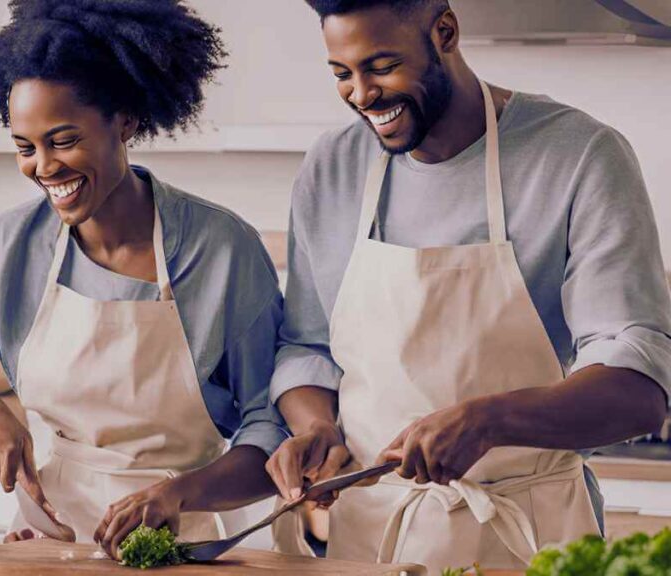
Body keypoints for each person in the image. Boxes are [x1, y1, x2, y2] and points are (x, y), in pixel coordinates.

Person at [265, 0, 671, 571]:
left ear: (445, 32)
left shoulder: (579, 155)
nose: (361, 94)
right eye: (341, 74)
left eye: (381, 66)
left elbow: (638, 393)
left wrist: (488, 421)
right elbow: (306, 348)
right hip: (373, 542)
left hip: (528, 538)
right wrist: (316, 428)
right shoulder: (333, 166)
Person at [0, 0, 286, 559]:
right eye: (26, 147)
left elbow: (274, 430)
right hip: (56, 545)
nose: (44, 168)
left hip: (196, 542)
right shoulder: (11, 247)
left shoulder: (221, 250)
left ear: (125, 120)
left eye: (63, 140)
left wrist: (178, 494)